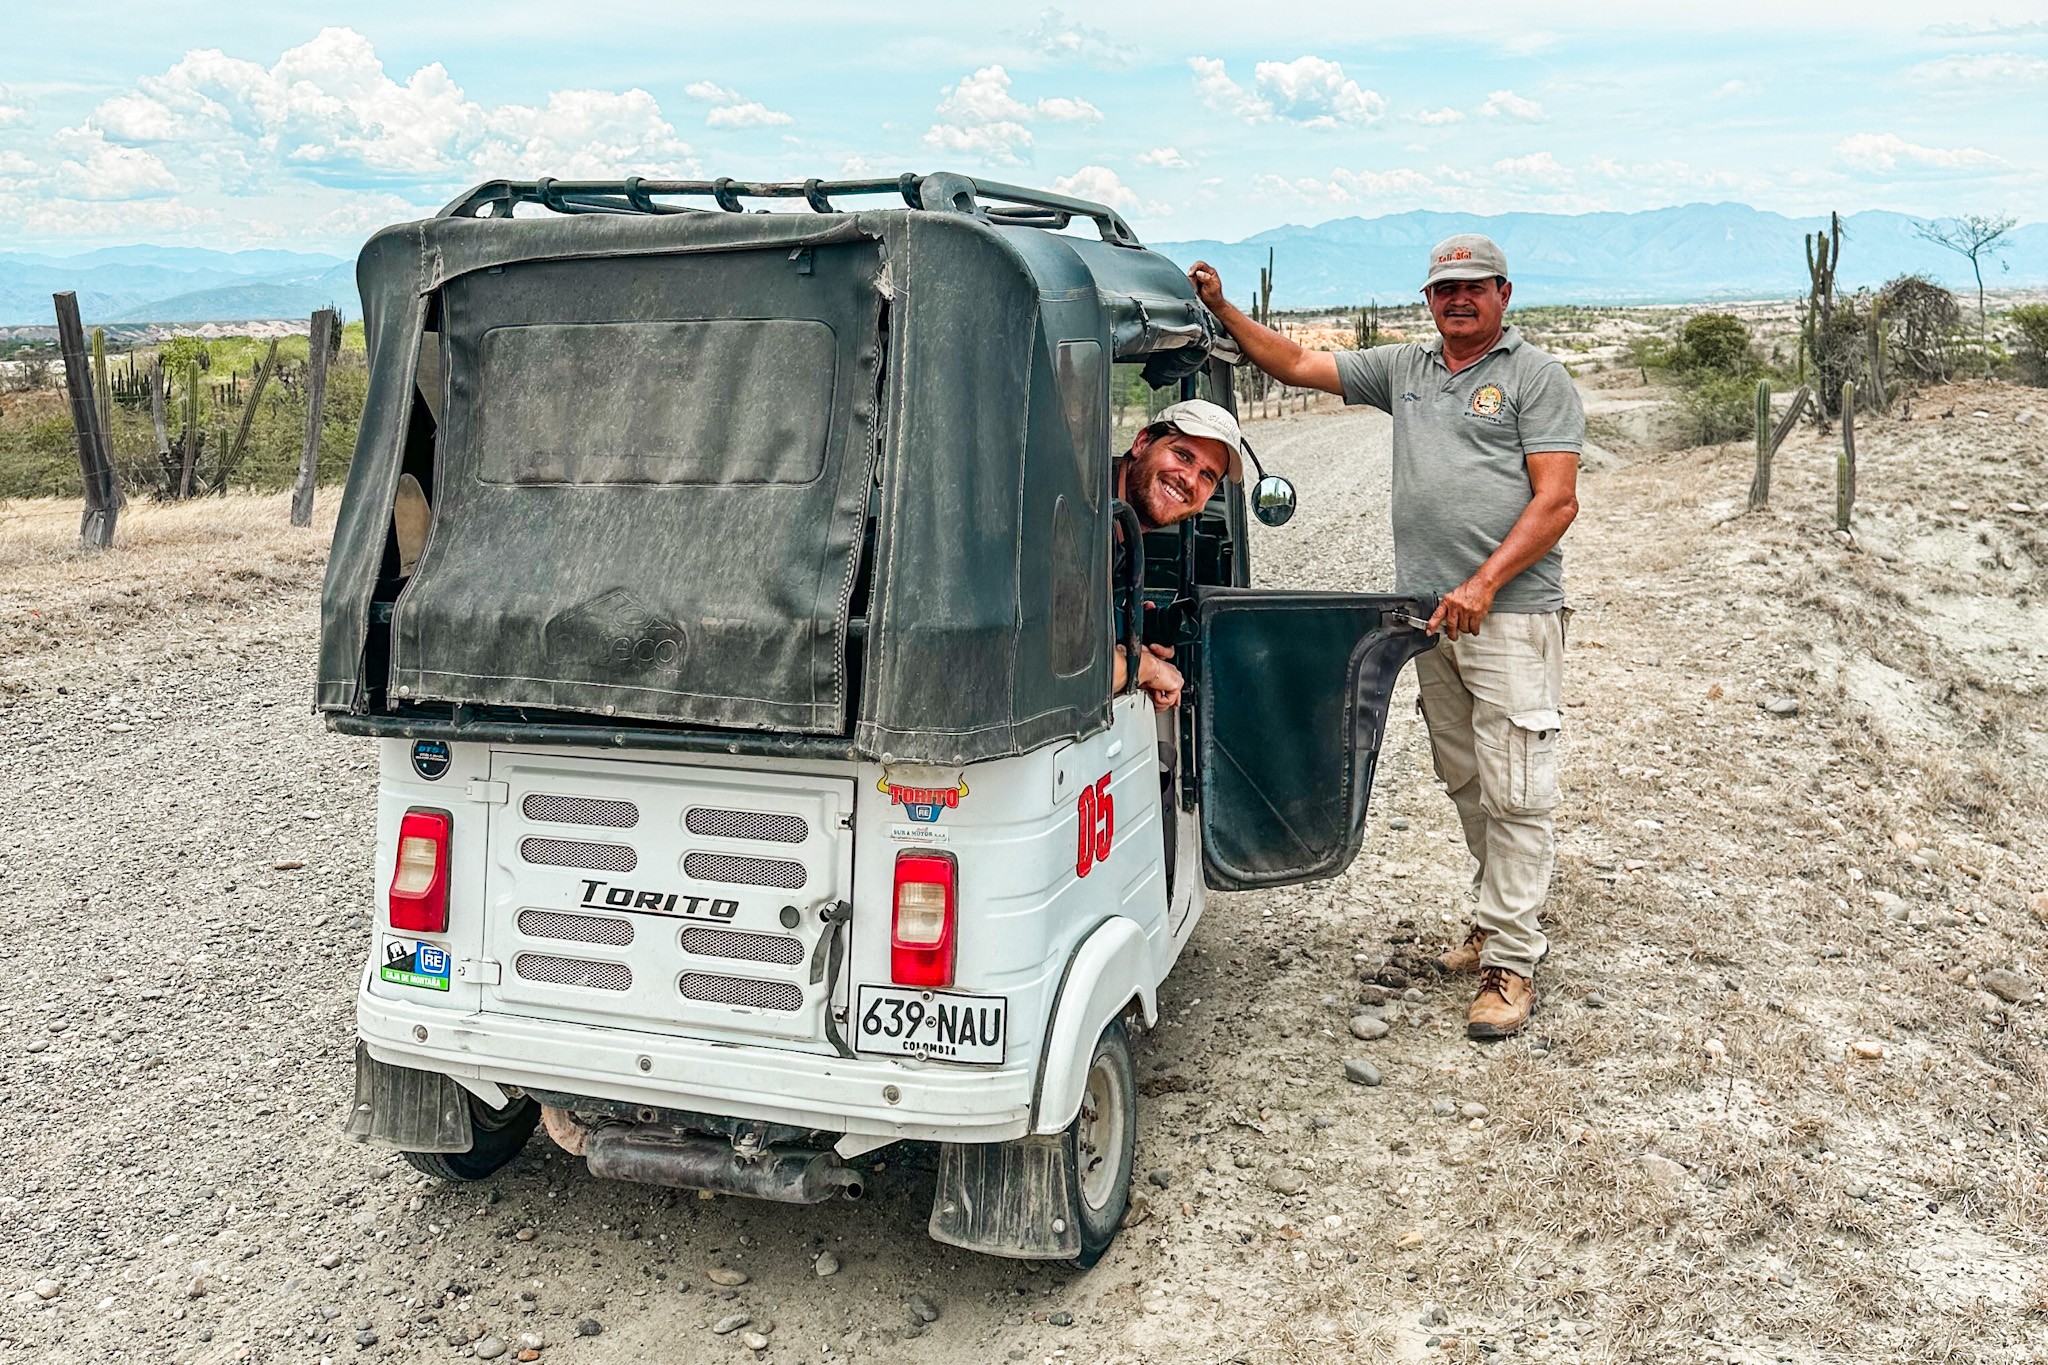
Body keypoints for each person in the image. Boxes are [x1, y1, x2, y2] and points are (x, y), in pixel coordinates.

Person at [1188, 234, 1581, 1040]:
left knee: (1516, 786)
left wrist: (1484, 583)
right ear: (1429, 299)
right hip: (1433, 617)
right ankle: (1493, 915)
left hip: (1508, 614)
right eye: (1444, 289)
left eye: (1474, 287)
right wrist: (1224, 308)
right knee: (1467, 779)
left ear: (1505, 292)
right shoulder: (1409, 369)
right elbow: (1298, 365)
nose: (1458, 299)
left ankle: (1513, 959)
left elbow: (1557, 501)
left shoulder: (1534, 378)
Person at [1110, 398, 1244, 710]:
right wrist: (1147, 668)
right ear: (1142, 442)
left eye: (1207, 476)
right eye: (1182, 455)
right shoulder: (1079, 515)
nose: (1189, 479)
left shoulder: (1121, 535)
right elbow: (1069, 675)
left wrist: (1125, 636)